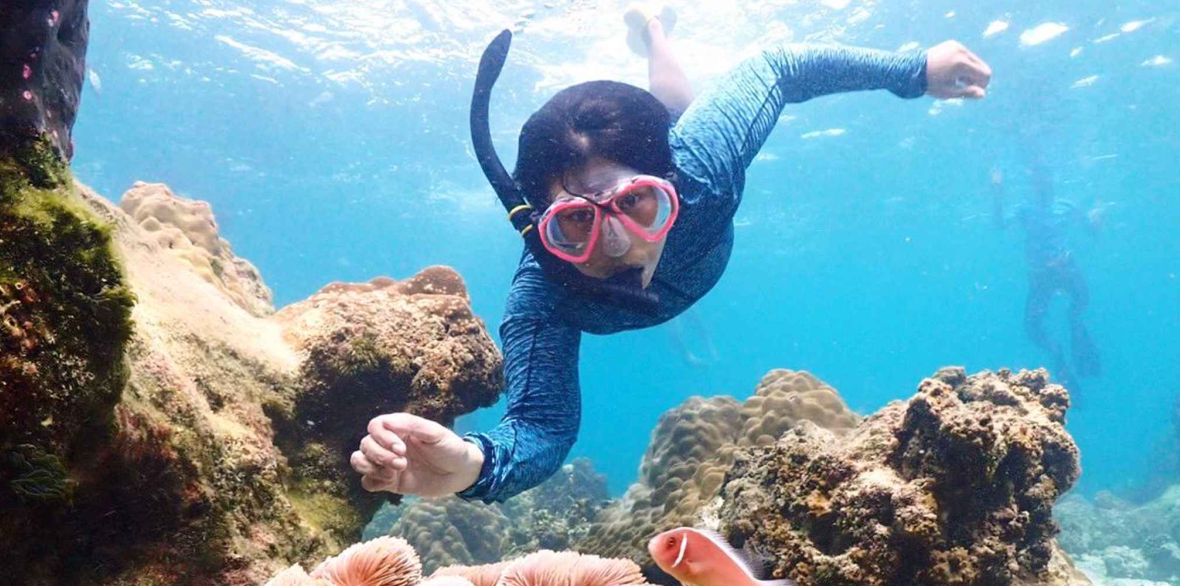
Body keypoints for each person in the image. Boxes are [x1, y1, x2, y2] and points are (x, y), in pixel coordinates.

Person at [351, 9, 992, 502]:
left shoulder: (702, 169)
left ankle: (655, 24)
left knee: (677, 106)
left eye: (638, 203)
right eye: (575, 222)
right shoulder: (542, 296)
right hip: (687, 269)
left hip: (684, 168)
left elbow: (778, 66)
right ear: (539, 229)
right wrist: (472, 466)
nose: (617, 245)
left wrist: (913, 71)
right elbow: (541, 428)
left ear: (672, 187)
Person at [990, 159, 1103, 397]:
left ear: (1051, 183)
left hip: (1062, 269)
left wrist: (1095, 219)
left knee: (1077, 306)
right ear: (1034, 186)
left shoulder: (1064, 205)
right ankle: (1060, 355)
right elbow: (999, 224)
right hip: (1045, 274)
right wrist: (998, 192)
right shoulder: (1025, 209)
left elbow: (1092, 231)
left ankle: (1073, 337)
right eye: (1038, 182)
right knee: (1033, 327)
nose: (1043, 186)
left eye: (1045, 181)